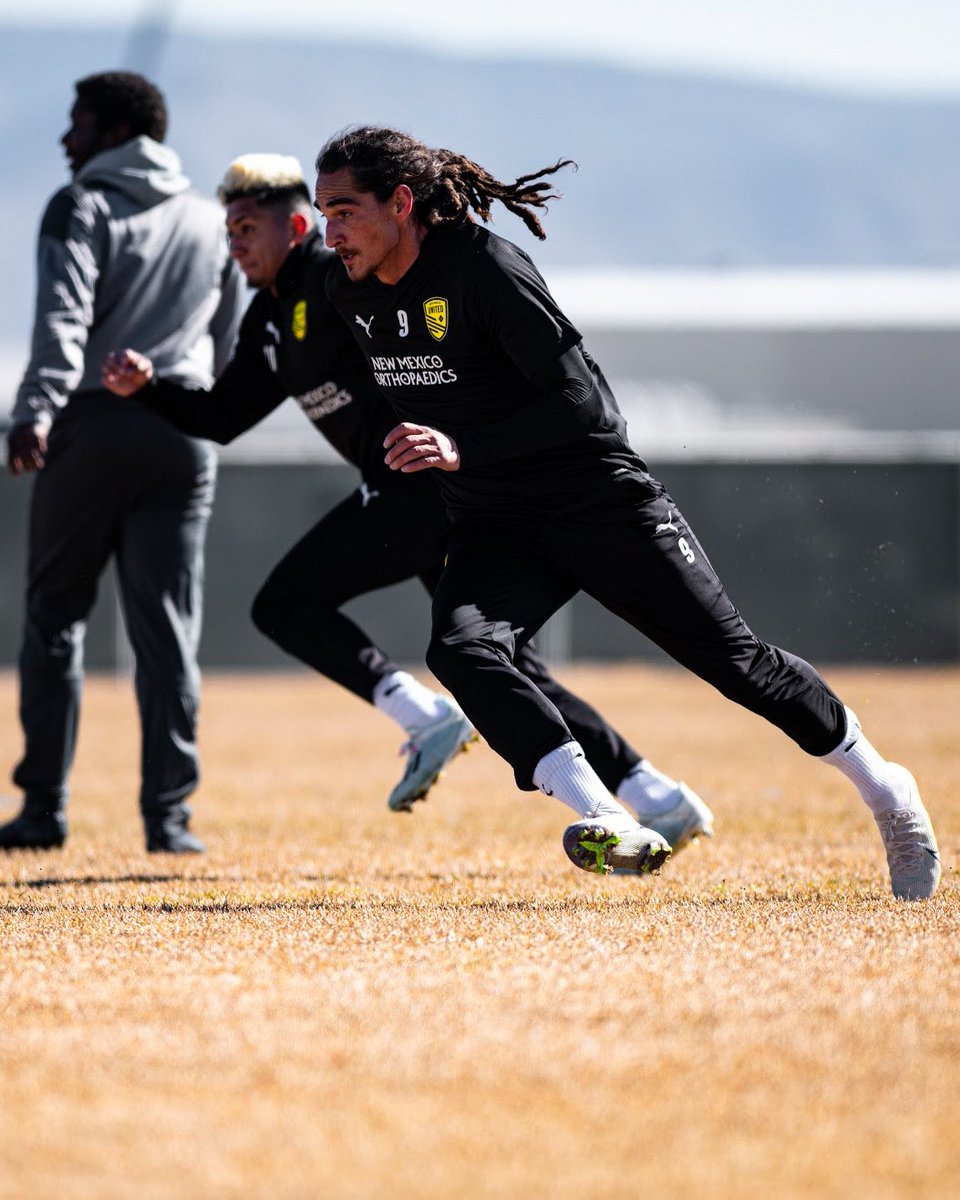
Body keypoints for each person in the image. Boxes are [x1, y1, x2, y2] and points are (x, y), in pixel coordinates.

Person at [313, 125, 941, 899]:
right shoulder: (346, 291)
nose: (330, 233)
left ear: (402, 203)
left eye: (344, 212)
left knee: (737, 664)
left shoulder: (485, 268)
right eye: (323, 214)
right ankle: (606, 816)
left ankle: (888, 792)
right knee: (462, 649)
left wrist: (461, 446)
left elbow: (585, 404)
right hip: (496, 520)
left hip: (599, 502)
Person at [102, 153, 714, 849]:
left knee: (285, 604)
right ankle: (655, 795)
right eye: (229, 231)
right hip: (425, 492)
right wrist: (148, 388)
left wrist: (476, 437)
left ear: (294, 226)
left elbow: (440, 331)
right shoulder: (270, 318)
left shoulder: (339, 282)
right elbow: (222, 416)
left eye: (246, 228)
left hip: (426, 486)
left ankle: (425, 717)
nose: (234, 244)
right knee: (502, 668)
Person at [1, 72, 245, 854]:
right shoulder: (211, 219)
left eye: (76, 124)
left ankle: (43, 810)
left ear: (111, 132)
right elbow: (231, 343)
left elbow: (62, 319)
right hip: (183, 434)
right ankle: (169, 821)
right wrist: (211, 419)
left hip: (93, 426)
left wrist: (33, 411)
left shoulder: (79, 205)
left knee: (54, 620)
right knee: (168, 633)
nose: (64, 139)